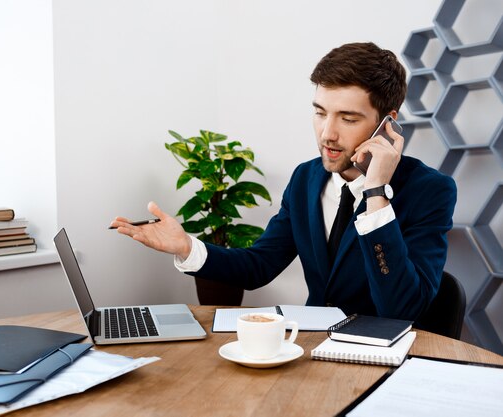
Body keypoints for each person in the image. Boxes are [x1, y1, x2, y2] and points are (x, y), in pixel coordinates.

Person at [110, 42, 457, 320]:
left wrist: (377, 192)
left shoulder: (430, 191)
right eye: (320, 113)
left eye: (347, 118)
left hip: (387, 363)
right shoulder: (306, 178)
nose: (327, 134)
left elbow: (401, 309)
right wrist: (187, 247)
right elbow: (258, 265)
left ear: (388, 123)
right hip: (310, 353)